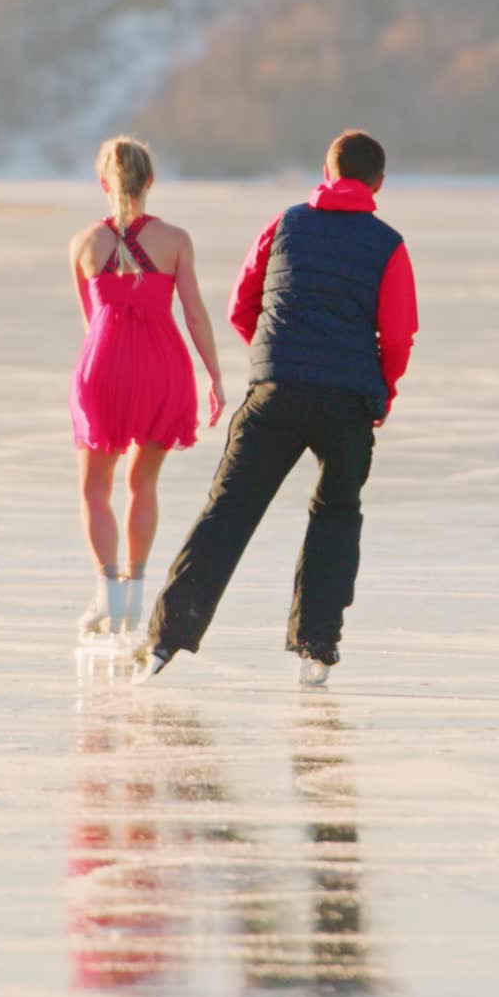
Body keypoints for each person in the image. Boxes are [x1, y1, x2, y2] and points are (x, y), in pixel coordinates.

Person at [133, 129, 418, 685]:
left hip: (274, 393)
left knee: (229, 510)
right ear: (379, 183)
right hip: (347, 402)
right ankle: (316, 647)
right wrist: (382, 391)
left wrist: (273, 361)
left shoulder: (284, 224)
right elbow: (399, 334)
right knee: (335, 514)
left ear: (326, 169)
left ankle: (166, 641)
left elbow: (244, 304)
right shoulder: (389, 244)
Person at [69, 136, 225, 641]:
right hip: (162, 367)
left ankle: (106, 595)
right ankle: (134, 595)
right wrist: (215, 377)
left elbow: (91, 321)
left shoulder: (84, 244)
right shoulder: (176, 239)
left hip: (105, 367)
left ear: (103, 183)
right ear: (150, 181)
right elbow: (195, 315)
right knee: (144, 483)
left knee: (96, 487)